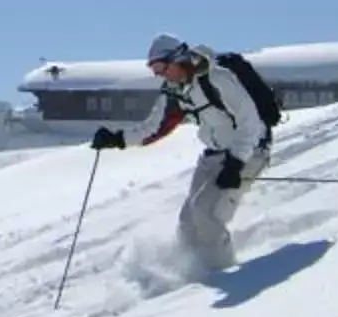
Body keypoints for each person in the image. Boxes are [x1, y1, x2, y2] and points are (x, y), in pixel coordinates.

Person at [90, 35, 272, 274]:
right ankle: (193, 274)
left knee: (205, 213)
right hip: (214, 155)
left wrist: (237, 163)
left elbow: (250, 121)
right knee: (187, 223)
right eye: (153, 69)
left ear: (177, 60)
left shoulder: (217, 79)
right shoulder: (175, 91)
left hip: (249, 151)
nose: (157, 74)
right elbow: (154, 128)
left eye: (159, 67)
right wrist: (117, 139)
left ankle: (224, 274)